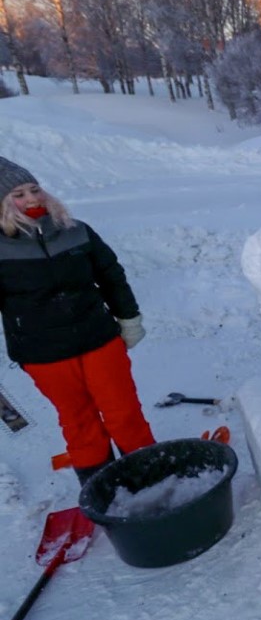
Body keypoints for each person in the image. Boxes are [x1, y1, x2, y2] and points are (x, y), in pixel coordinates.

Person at [0, 157, 155, 486]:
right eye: (18, 194)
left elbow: (110, 275)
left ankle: (150, 478)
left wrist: (128, 318)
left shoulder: (74, 230)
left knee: (124, 414)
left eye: (34, 189)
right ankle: (104, 491)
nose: (31, 199)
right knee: (78, 423)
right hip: (43, 355)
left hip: (98, 339)